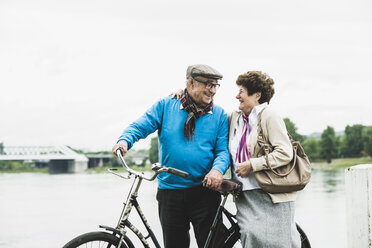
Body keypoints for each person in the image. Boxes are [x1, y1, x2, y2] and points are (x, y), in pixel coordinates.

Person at [112, 64, 230, 248]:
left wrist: (217, 170)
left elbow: (223, 151)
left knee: (214, 246)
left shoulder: (220, 115)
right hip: (170, 193)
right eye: (208, 84)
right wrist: (124, 141)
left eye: (215, 85)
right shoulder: (166, 105)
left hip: (205, 192)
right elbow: (141, 125)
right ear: (191, 82)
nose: (212, 90)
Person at [230, 71, 301, 247]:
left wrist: (253, 165)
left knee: (278, 243)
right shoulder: (235, 118)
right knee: (250, 235)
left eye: (241, 91)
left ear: (257, 95)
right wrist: (182, 96)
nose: (237, 95)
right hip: (245, 195)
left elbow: (285, 152)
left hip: (271, 194)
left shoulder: (269, 116)